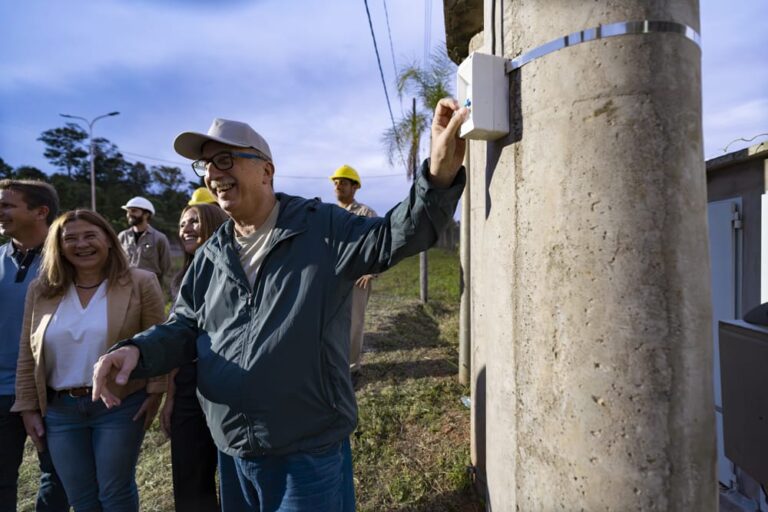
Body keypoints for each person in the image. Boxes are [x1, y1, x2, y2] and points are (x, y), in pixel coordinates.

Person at [92, 98, 468, 511]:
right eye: (205, 166)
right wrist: (137, 349)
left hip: (306, 452)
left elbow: (395, 236)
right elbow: (185, 325)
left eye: (224, 160)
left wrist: (438, 174)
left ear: (266, 169)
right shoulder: (212, 254)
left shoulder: (321, 227)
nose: (214, 175)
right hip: (233, 449)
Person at [13, 209, 166, 511]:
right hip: (60, 411)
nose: (81, 244)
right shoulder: (41, 290)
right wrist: (27, 406)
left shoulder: (140, 282)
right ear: (59, 246)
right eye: (70, 238)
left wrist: (157, 391)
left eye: (90, 235)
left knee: (114, 493)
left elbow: (159, 341)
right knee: (80, 498)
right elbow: (27, 354)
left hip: (119, 406)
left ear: (109, 240)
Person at [0, 180, 69, 511]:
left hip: (53, 390)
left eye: (6, 205)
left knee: (57, 477)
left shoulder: (71, 258)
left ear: (41, 212)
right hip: (0, 390)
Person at [161, 203, 229, 512]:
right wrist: (171, 395)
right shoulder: (181, 279)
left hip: (227, 382)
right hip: (188, 384)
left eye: (194, 221)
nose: (186, 228)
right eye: (182, 222)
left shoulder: (231, 271)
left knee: (232, 476)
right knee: (189, 480)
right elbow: (179, 340)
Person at [329, 165, 378, 380]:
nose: (338, 186)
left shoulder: (366, 214)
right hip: (333, 277)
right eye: (336, 182)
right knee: (331, 322)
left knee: (354, 323)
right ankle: (333, 365)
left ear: (355, 187)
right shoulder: (329, 214)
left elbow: (378, 246)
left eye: (344, 182)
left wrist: (372, 272)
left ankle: (351, 369)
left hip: (357, 279)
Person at [117, 196, 172, 287]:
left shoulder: (160, 238)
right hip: (126, 288)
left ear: (146, 214)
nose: (129, 214)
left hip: (150, 288)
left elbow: (166, 269)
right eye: (128, 211)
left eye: (134, 211)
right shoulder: (122, 236)